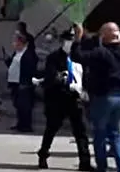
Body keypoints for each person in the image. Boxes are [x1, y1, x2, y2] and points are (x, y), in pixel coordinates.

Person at [73, 22, 120, 172]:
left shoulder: (102, 52)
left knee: (99, 133)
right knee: (116, 134)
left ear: (104, 36)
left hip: (104, 97)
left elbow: (78, 56)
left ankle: (102, 167)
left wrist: (78, 38)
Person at [37, 28, 92, 171]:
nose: (69, 43)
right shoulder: (54, 57)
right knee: (51, 129)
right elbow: (50, 76)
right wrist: (62, 78)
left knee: (80, 131)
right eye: (67, 40)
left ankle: (84, 161)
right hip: (58, 98)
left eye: (72, 40)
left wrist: (84, 89)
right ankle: (43, 154)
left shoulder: (78, 56)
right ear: (61, 42)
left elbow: (85, 74)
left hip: (75, 98)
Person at [5, 31, 38, 133]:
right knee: (18, 104)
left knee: (25, 105)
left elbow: (29, 70)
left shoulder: (28, 54)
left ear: (21, 42)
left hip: (24, 83)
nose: (14, 44)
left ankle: (26, 125)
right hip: (15, 82)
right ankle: (20, 123)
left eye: (15, 41)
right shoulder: (17, 53)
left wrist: (26, 82)